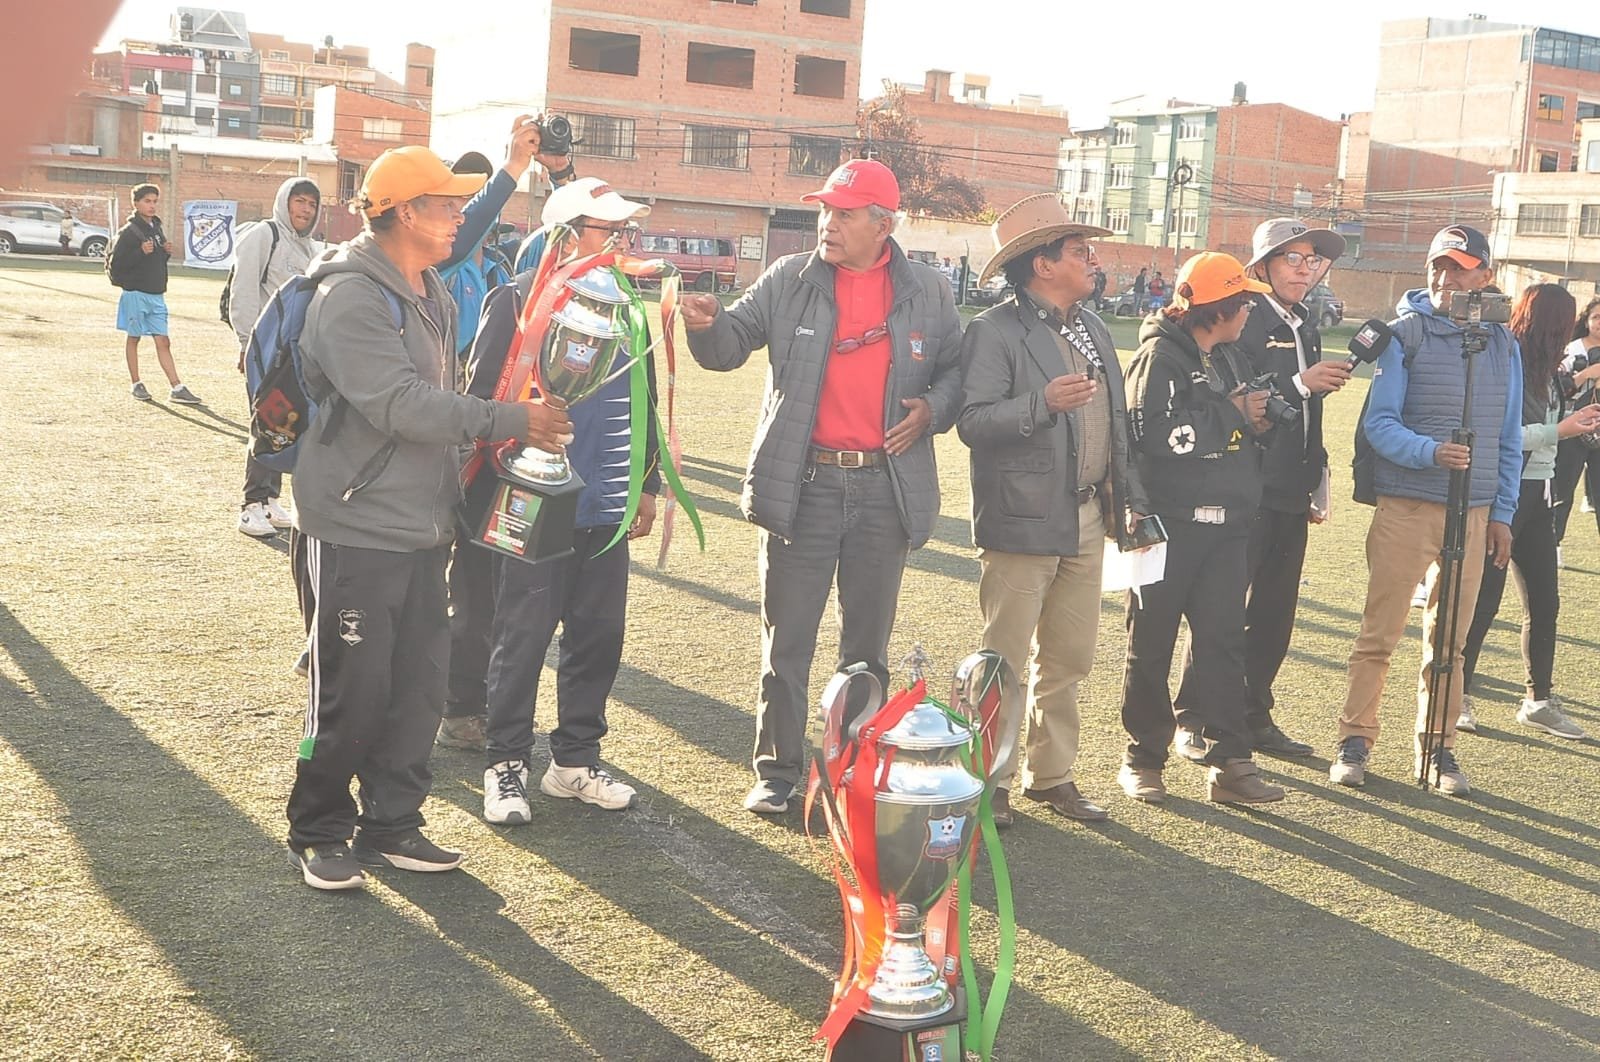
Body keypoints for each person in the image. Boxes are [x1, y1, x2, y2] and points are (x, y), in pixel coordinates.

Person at [283, 145, 569, 891]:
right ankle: (319, 829)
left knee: (417, 688)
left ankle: (392, 822)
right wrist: (510, 420)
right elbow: (401, 405)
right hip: (352, 527)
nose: (460, 218)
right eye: (447, 206)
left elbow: (439, 399)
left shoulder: (429, 286)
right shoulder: (349, 295)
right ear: (404, 212)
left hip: (422, 524)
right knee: (350, 692)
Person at [679, 158, 964, 815]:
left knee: (866, 648)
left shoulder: (929, 290)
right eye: (825, 211)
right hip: (803, 485)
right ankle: (778, 772)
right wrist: (706, 325)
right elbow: (730, 346)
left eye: (844, 214)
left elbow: (956, 368)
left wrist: (933, 408)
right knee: (788, 643)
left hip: (884, 490)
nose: (827, 224)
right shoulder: (789, 278)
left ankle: (856, 769)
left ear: (883, 226)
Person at [473, 177, 661, 825]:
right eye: (609, 229)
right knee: (521, 636)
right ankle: (505, 764)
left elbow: (644, 402)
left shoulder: (629, 306)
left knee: (598, 636)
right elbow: (480, 400)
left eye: (624, 230)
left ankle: (574, 761)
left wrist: (647, 485)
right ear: (566, 233)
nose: (622, 241)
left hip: (606, 502)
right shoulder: (517, 298)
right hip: (532, 497)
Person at [958, 194, 1148, 825]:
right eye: (1079, 251)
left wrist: (1128, 504)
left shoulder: (1094, 327)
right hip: (1021, 518)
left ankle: (1051, 776)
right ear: (1042, 265)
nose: (1093, 260)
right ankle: (989, 780)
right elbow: (972, 421)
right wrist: (1042, 403)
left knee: (1069, 658)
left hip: (1087, 517)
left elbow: (1115, 425)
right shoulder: (993, 331)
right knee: (1003, 661)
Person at [1329, 225, 1521, 797]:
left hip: (1475, 509)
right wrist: (1430, 452)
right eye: (1439, 264)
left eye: (1459, 267)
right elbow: (1379, 423)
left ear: (1485, 276)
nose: (1445, 277)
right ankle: (1355, 740)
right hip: (1408, 504)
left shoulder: (1504, 344)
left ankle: (1439, 746)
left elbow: (1509, 437)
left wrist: (1503, 512)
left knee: (1450, 645)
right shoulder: (1402, 334)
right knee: (1379, 634)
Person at [1117, 251, 1283, 805]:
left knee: (1223, 645)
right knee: (1151, 646)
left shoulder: (1229, 355)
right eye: (1244, 303)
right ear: (1219, 309)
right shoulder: (1158, 357)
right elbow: (1157, 437)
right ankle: (1143, 759)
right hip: (1168, 526)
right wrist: (1232, 414)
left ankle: (1231, 762)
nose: (1249, 312)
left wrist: (1259, 421)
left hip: (1226, 526)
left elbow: (1236, 429)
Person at [1181, 218, 1350, 760]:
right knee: (1222, 608)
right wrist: (1301, 383)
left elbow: (1309, 412)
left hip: (1291, 487)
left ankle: (1254, 713)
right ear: (1262, 266)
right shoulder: (1245, 317)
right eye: (1292, 258)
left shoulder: (1307, 324)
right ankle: (1192, 717)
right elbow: (1236, 395)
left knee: (1275, 612)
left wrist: (1317, 470)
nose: (1305, 270)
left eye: (1312, 259)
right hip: (1247, 485)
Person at [436, 117, 580, 753]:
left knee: (499, 594)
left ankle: (480, 701)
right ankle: (458, 705)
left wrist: (561, 169)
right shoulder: (451, 266)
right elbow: (464, 232)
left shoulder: (496, 268)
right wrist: (511, 169)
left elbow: (578, 222)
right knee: (467, 590)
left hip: (511, 441)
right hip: (466, 436)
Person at [1459, 284, 1600, 740]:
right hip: (1505, 492)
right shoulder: (1508, 361)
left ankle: (1538, 700)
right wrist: (1560, 430)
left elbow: (1551, 425)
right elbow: (1502, 437)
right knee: (1484, 600)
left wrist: (1577, 421)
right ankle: (1457, 695)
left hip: (1540, 492)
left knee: (1544, 602)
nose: (1572, 329)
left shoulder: (1551, 366)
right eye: (1566, 320)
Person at [230, 177, 323, 538]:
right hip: (265, 349)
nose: (305, 210)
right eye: (299, 201)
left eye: (312, 204)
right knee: (266, 423)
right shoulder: (263, 235)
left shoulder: (310, 248)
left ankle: (269, 500)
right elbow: (243, 289)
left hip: (293, 356)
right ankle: (250, 505)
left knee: (285, 424)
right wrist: (246, 343)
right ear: (284, 202)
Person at [108, 184, 201, 405]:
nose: (152, 206)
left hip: (156, 294)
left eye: (155, 201)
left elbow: (154, 262)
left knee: (163, 340)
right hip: (135, 293)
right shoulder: (128, 232)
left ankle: (176, 387)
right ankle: (136, 383)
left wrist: (164, 253)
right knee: (134, 338)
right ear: (136, 203)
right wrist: (139, 252)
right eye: (147, 201)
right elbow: (116, 265)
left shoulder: (156, 228)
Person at [1551, 295, 1600, 557]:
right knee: (1563, 490)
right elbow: (1560, 389)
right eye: (1596, 317)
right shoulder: (1572, 349)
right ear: (1586, 320)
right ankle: (1553, 545)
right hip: (1573, 427)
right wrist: (1586, 375)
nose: (1599, 323)